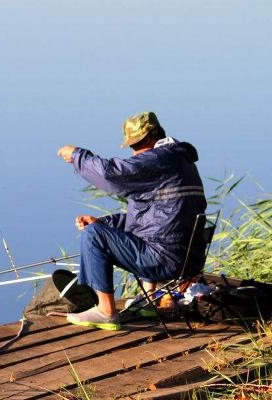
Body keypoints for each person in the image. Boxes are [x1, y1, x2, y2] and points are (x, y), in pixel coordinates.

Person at [57, 111, 206, 330]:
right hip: (188, 259)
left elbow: (111, 174)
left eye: (136, 145)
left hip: (164, 259)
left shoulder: (159, 159)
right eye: (131, 146)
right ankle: (150, 298)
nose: (134, 153)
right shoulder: (180, 161)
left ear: (150, 137)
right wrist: (103, 222)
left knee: (93, 236)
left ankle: (106, 311)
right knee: (100, 229)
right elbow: (153, 217)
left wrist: (78, 156)